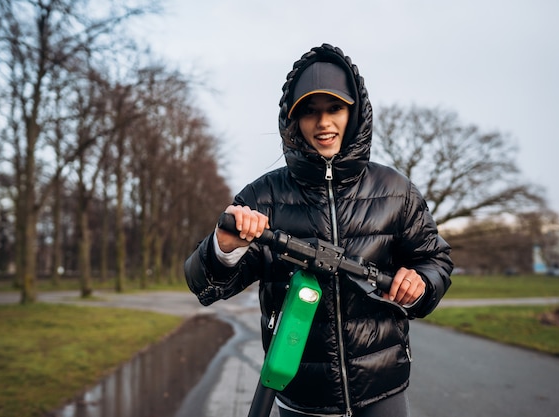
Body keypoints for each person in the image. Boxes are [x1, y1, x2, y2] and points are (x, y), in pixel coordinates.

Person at [184, 43, 453, 417]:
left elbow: (435, 260)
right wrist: (223, 248)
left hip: (383, 389)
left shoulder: (396, 191)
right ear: (294, 120)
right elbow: (206, 287)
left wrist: (421, 282)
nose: (323, 123)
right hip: (300, 395)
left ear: (354, 112)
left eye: (335, 108)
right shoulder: (262, 197)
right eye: (310, 112)